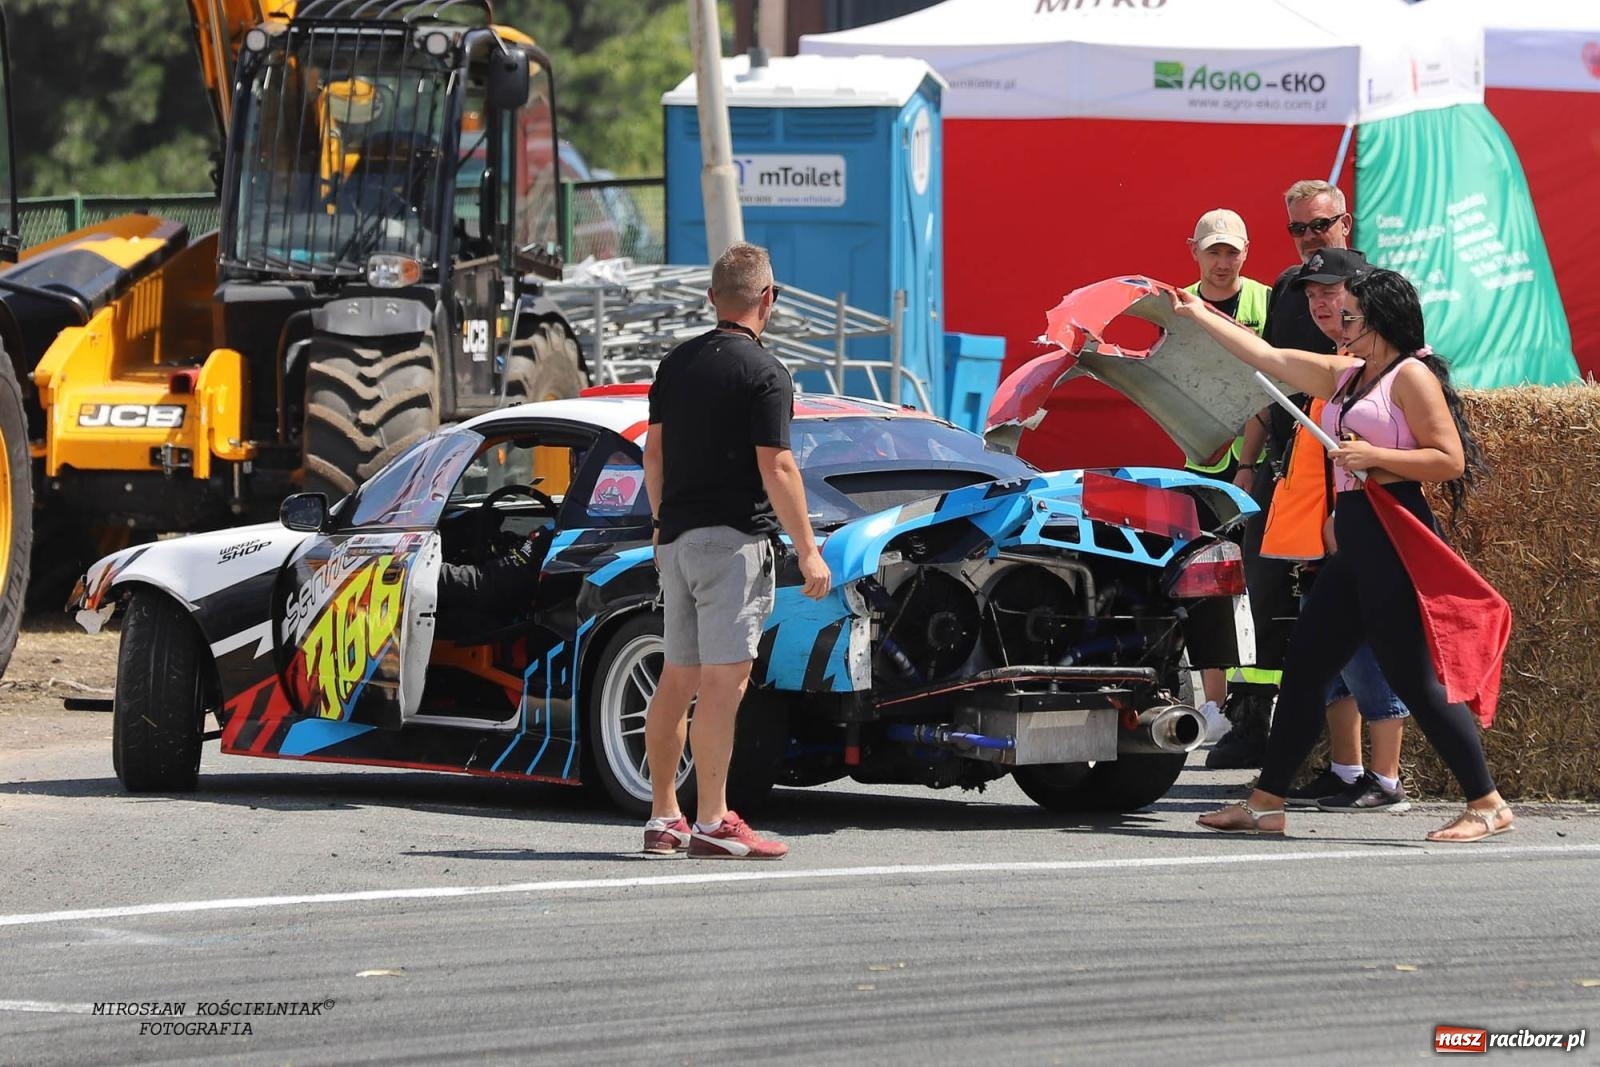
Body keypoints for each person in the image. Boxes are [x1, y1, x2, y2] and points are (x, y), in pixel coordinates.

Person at [1174, 268, 1513, 842]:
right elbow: (1265, 356)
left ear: (1379, 319)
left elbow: (1448, 459)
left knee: (1413, 677)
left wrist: (1375, 456)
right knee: (1304, 668)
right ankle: (1265, 803)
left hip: (1392, 530)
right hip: (1355, 537)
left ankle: (1487, 802)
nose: (1340, 324)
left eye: (1350, 316)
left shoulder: (1411, 377)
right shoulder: (1348, 375)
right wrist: (1194, 314)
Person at [640, 242, 832, 860]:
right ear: (768, 298)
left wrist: (660, 520)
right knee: (725, 685)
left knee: (677, 679)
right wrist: (808, 550)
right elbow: (776, 464)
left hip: (678, 542)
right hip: (734, 545)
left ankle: (664, 817)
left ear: (710, 297)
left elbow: (654, 453)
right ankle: (714, 820)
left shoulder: (675, 364)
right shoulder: (767, 373)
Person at [1207, 179, 1359, 770]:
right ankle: (1251, 721)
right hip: (1282, 462)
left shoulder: (1379, 286)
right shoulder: (1288, 290)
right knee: (1262, 586)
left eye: (1319, 225)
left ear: (1344, 222)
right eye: (1297, 228)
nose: (1308, 238)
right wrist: (1246, 466)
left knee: (1334, 592)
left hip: (1342, 462)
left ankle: (1345, 749)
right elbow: (1264, 387)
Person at [1267, 249, 1413, 813]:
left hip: (1357, 533)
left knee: (1371, 663)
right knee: (1325, 668)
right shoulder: (1337, 362)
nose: (1324, 305)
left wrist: (1343, 517)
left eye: (1333, 294)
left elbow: (1433, 457)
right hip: (1319, 534)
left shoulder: (1378, 369)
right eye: (1313, 295)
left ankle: (1388, 778)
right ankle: (1347, 770)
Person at [1181, 208, 1272, 741]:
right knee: (1205, 581)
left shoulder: (1266, 299)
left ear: (1246, 252)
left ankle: (1256, 701)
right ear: (1193, 249)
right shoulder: (1181, 304)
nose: (1222, 261)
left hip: (1256, 464)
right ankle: (1213, 705)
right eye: (1212, 250)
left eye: (1230, 251)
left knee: (1258, 580)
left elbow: (1264, 387)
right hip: (1201, 462)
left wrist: (1246, 466)